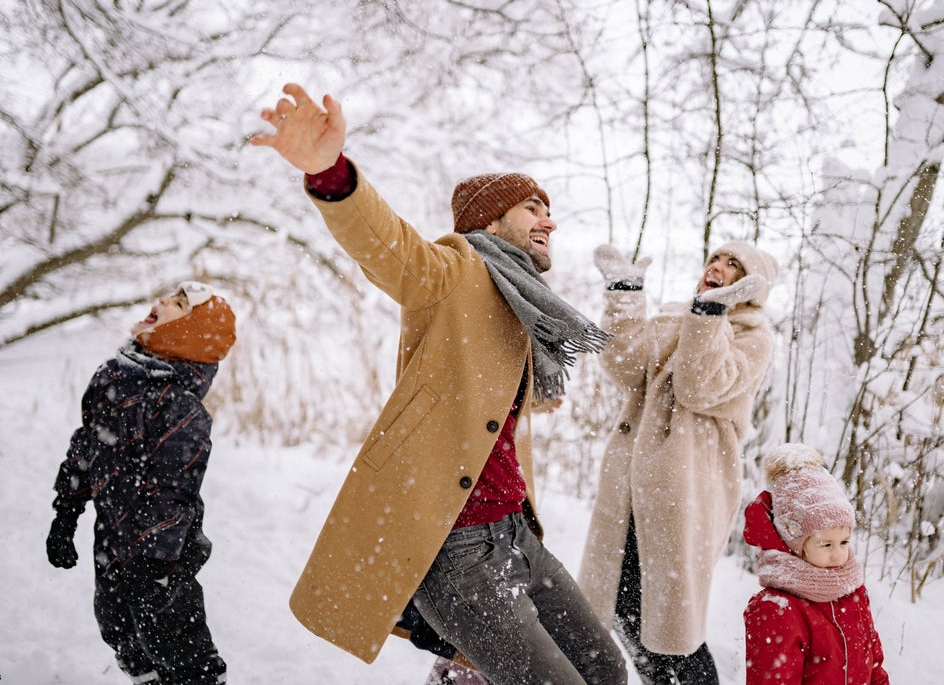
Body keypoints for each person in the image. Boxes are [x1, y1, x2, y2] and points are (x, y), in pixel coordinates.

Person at [250, 83, 627, 685]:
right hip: (457, 549)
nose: (548, 220)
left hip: (515, 534)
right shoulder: (456, 271)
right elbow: (390, 248)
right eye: (532, 207)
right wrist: (331, 174)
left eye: (547, 208)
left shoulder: (522, 303)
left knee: (606, 667)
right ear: (491, 220)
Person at [578, 241, 779, 684]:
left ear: (752, 288)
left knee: (671, 626)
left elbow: (697, 387)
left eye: (734, 266)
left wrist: (709, 317)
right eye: (716, 259)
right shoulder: (675, 314)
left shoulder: (752, 337)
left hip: (685, 491)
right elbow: (624, 365)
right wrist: (625, 293)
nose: (718, 267)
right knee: (623, 607)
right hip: (631, 488)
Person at [45, 281, 236, 685]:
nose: (163, 300)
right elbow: (88, 444)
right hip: (113, 537)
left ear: (188, 333)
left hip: (162, 555)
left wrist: (155, 566)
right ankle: (145, 679)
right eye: (170, 295)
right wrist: (67, 510)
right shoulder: (114, 378)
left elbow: (173, 494)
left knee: (175, 639)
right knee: (119, 627)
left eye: (179, 304)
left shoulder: (181, 409)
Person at [742, 443, 889, 684]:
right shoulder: (777, 608)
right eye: (826, 545)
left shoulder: (852, 593)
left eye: (843, 542)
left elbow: (874, 665)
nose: (838, 555)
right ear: (795, 544)